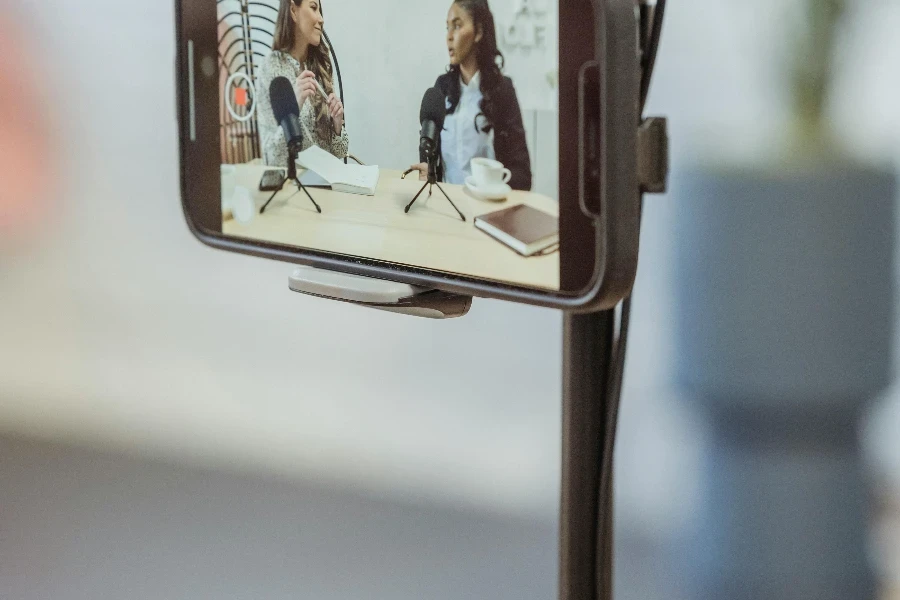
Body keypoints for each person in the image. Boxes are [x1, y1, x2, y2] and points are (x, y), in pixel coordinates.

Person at [409, 0, 532, 191]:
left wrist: (493, 187)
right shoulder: (442, 87)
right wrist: (428, 171)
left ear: (479, 32)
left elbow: (522, 174)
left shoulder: (502, 90)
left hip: (488, 209)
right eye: (447, 27)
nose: (449, 36)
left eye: (457, 26)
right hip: (447, 207)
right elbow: (429, 154)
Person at [256, 0, 349, 168]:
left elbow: (340, 152)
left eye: (320, 11)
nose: (321, 19)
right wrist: (293, 108)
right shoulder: (271, 68)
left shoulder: (322, 67)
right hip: (293, 187)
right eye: (314, 8)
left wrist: (337, 126)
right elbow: (272, 158)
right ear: (293, 10)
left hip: (327, 185)